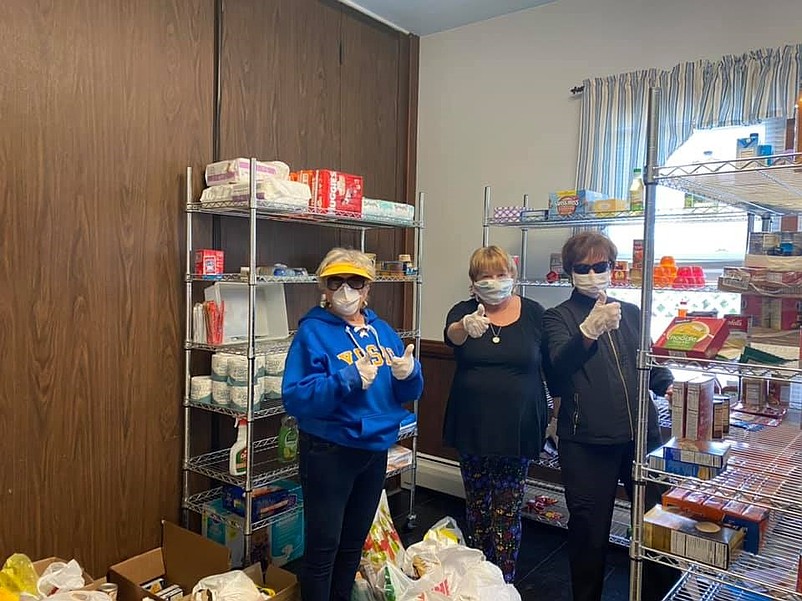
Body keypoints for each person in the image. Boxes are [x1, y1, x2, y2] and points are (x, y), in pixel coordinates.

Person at [282, 247, 424, 601]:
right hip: (329, 450)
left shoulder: (382, 330)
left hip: (374, 450)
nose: (346, 290)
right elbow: (295, 397)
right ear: (324, 288)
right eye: (336, 281)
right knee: (323, 547)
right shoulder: (313, 333)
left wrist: (410, 374)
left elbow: (407, 390)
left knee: (352, 545)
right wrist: (344, 380)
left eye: (355, 281)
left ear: (368, 289)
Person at [541, 231, 675, 601]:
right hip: (587, 442)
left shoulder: (628, 312)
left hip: (641, 437)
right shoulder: (558, 318)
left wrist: (667, 383)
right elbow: (556, 369)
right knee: (589, 532)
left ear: (612, 268)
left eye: (600, 266)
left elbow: (646, 364)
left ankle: (659, 594)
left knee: (657, 524)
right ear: (570, 272)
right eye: (583, 267)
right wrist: (588, 332)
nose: (593, 272)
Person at [443, 245, 549, 583]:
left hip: (517, 426)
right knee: (476, 506)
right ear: (473, 283)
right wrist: (464, 325)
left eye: (501, 274)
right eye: (485, 276)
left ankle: (503, 581)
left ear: (514, 277)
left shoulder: (534, 313)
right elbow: (451, 336)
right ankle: (478, 577)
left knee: (507, 507)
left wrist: (557, 417)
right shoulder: (463, 311)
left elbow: (551, 365)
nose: (494, 281)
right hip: (472, 423)